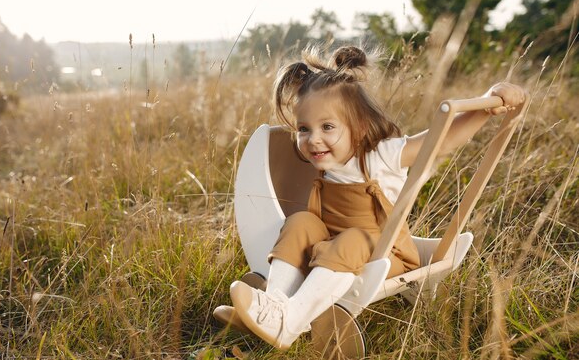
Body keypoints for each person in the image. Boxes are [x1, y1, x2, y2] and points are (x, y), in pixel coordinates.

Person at [213, 45, 527, 350]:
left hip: (385, 258)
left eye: (327, 127)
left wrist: (486, 105)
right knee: (300, 222)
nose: (313, 139)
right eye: (304, 128)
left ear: (359, 128)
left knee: (351, 239)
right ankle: (274, 306)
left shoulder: (381, 156)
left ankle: (291, 322)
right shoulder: (330, 160)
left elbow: (440, 141)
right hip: (335, 250)